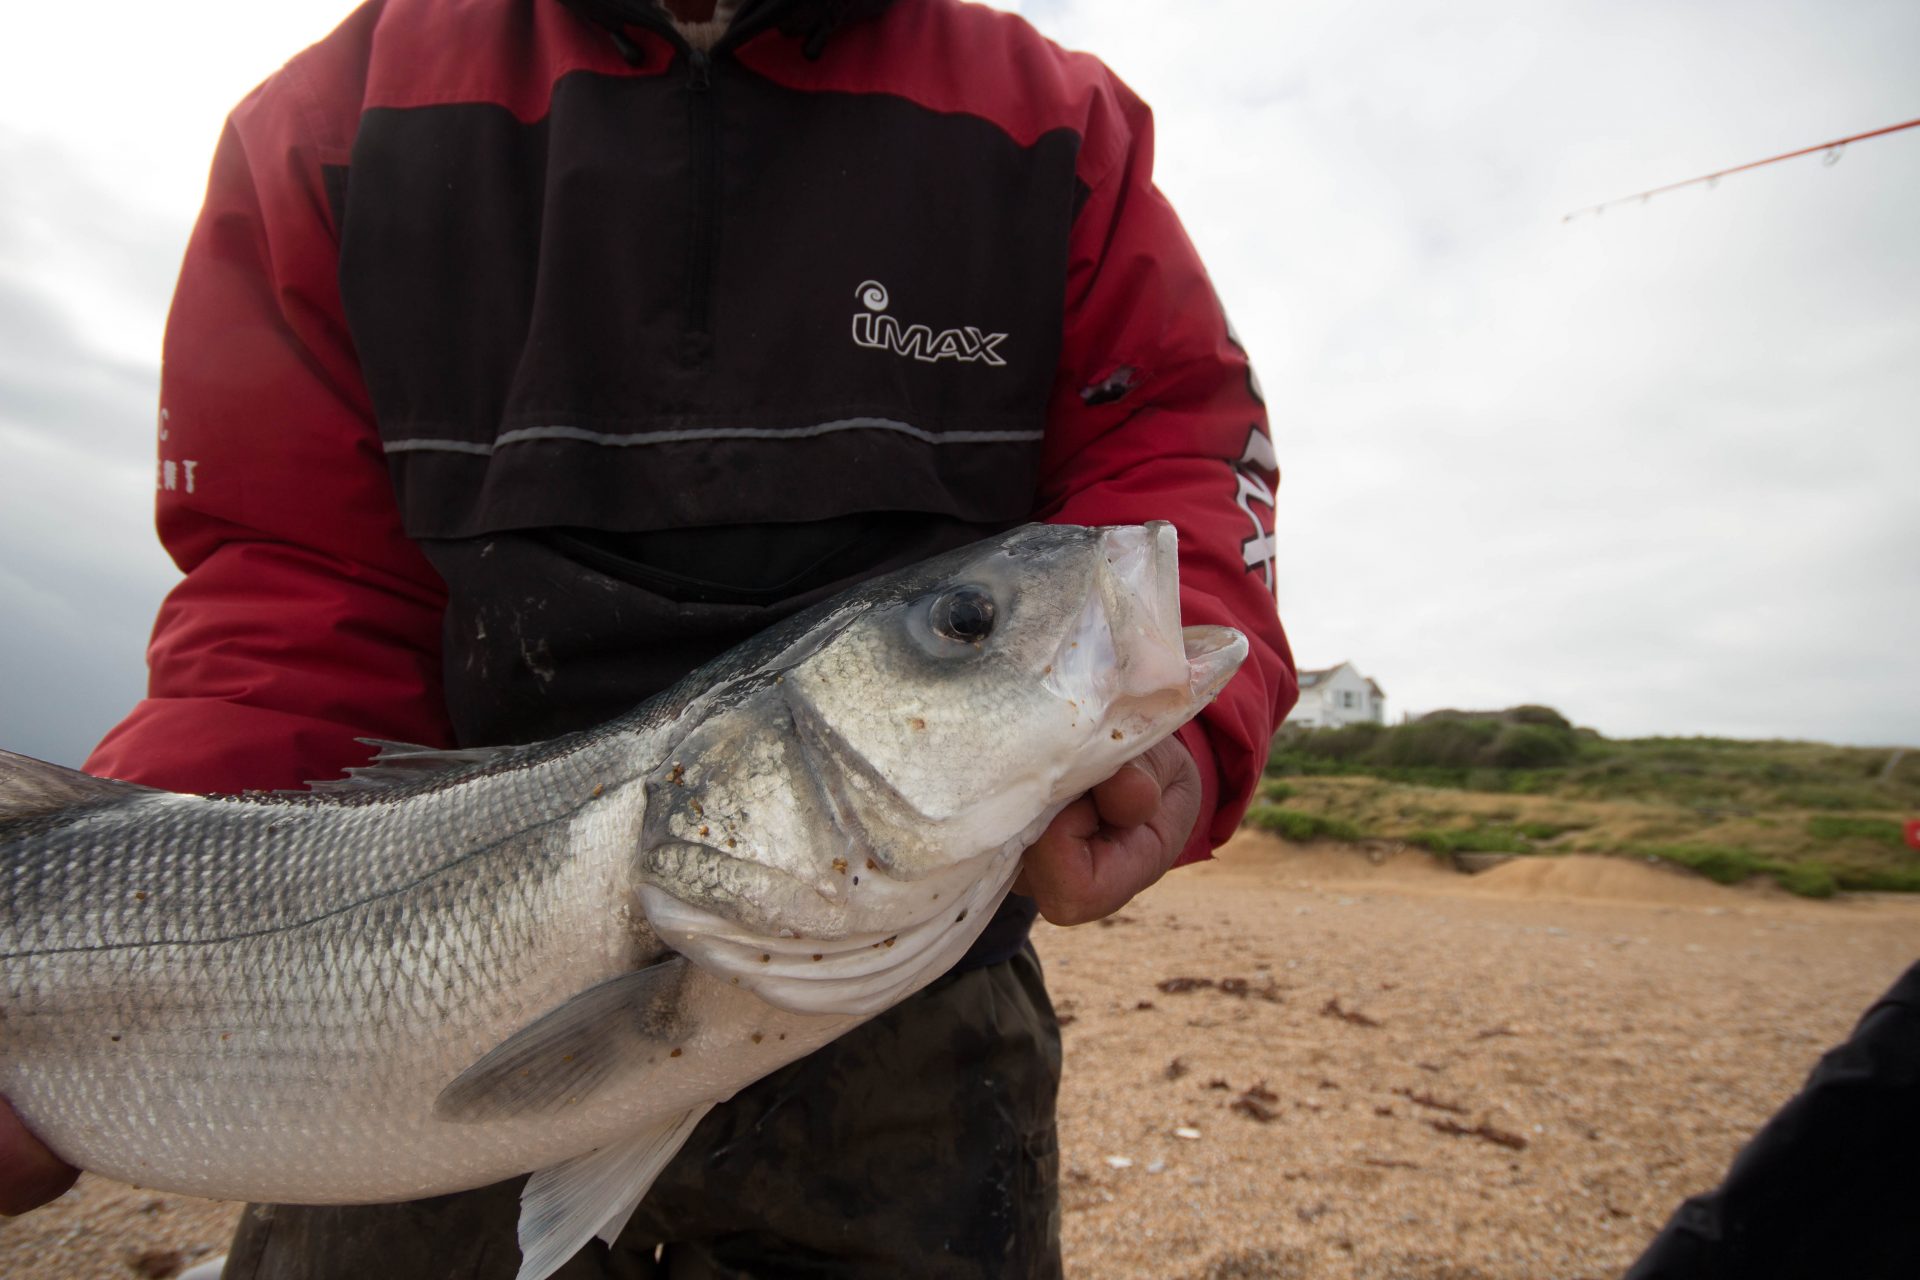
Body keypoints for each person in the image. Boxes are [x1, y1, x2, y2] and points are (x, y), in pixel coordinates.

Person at [0, 1, 1295, 1275]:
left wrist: (1188, 736)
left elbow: (1172, 447)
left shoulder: (1046, 120)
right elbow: (292, 582)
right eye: (964, 629)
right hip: (407, 987)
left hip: (927, 999)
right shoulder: (334, 121)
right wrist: (144, 919)